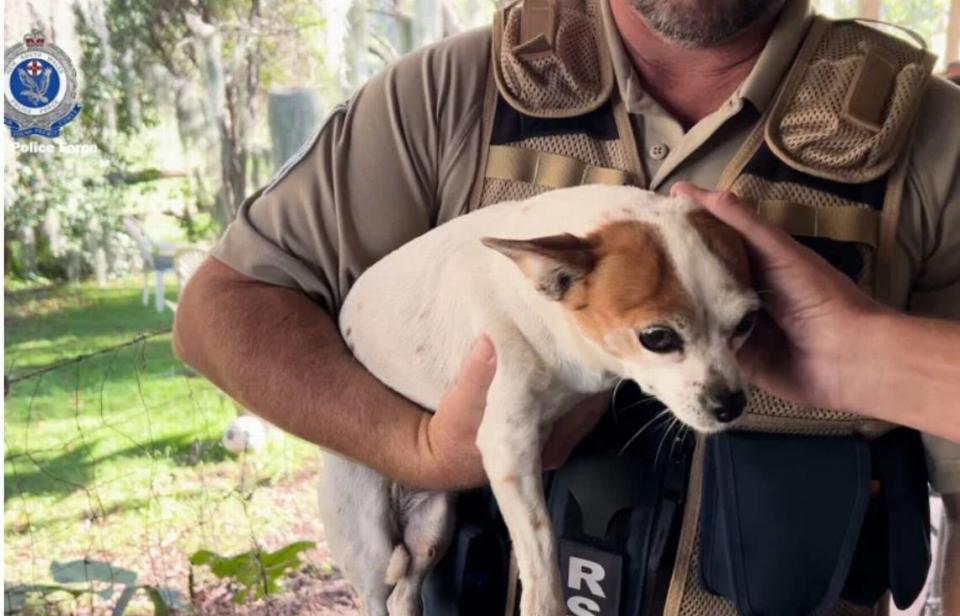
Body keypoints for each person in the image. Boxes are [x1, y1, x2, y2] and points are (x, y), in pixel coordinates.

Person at [173, 0, 960, 613]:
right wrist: (422, 448)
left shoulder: (935, 140)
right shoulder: (447, 93)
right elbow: (224, 309)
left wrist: (872, 353)